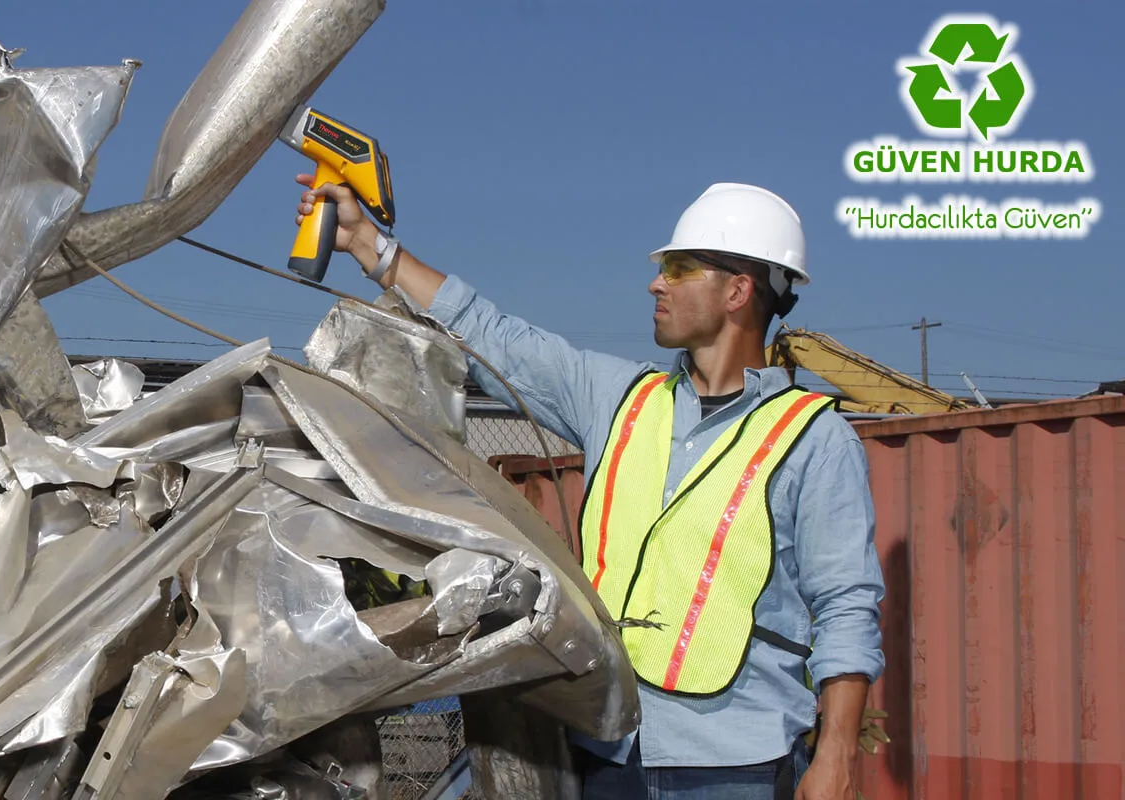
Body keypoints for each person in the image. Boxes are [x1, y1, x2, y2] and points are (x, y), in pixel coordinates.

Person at [294, 177, 886, 799]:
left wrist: (838, 753)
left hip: (734, 765)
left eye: (679, 269)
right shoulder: (622, 399)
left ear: (739, 290)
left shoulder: (815, 441)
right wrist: (372, 247)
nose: (656, 283)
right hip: (606, 748)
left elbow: (847, 605)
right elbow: (488, 334)